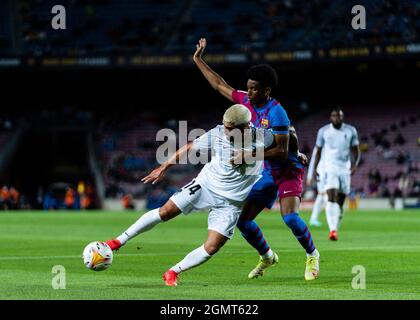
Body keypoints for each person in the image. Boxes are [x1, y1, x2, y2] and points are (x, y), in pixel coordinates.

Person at [104, 104, 278, 286]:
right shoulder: (217, 133)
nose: (225, 131)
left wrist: (293, 154)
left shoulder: (263, 137)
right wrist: (163, 167)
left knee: (212, 247)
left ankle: (173, 272)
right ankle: (117, 241)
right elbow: (189, 147)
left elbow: (285, 143)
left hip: (231, 202)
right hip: (206, 185)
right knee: (165, 211)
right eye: (224, 126)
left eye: (229, 128)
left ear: (244, 127)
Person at [193, 38, 319, 281]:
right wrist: (198, 60)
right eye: (247, 88)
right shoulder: (245, 103)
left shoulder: (276, 112)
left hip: (288, 170)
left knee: (290, 218)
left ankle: (312, 254)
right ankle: (267, 256)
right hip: (266, 171)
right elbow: (219, 85)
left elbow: (282, 152)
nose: (248, 92)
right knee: (243, 220)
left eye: (253, 89)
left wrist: (247, 154)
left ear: (266, 90)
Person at [311, 108, 361, 241]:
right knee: (331, 196)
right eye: (334, 116)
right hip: (329, 167)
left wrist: (355, 164)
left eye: (339, 116)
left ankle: (335, 228)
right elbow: (318, 150)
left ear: (343, 118)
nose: (337, 118)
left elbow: (356, 150)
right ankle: (332, 230)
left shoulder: (351, 130)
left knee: (340, 201)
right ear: (330, 118)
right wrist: (316, 168)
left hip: (345, 169)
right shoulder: (323, 131)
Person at [306, 146, 327, 227]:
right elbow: (313, 161)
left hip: (329, 173)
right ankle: (332, 217)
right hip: (322, 173)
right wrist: (309, 176)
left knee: (321, 196)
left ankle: (313, 218)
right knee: (323, 194)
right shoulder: (320, 145)